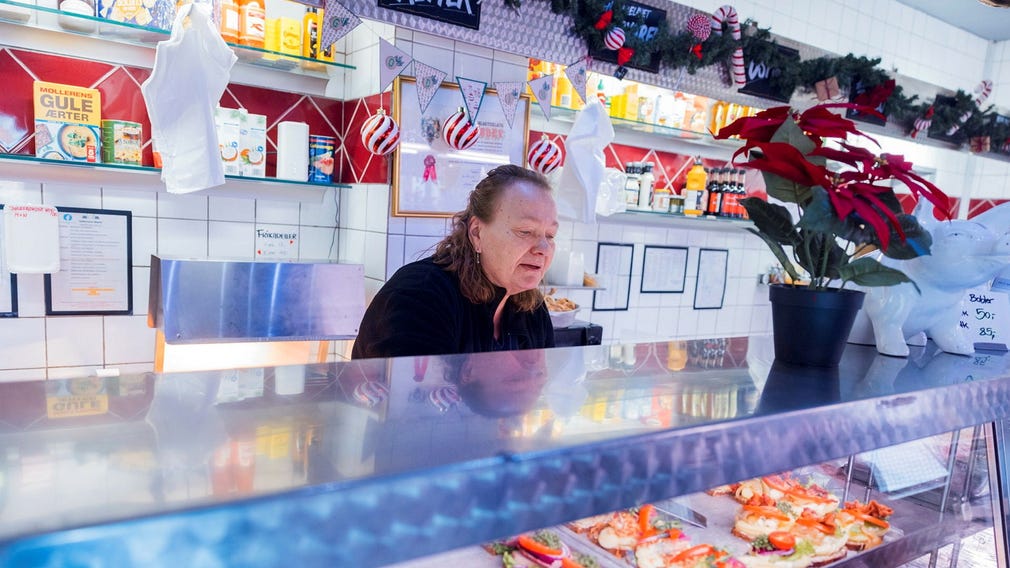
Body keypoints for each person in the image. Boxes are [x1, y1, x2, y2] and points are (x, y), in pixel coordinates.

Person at [351, 165, 558, 359]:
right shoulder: (420, 294)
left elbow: (542, 384)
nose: (543, 248)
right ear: (476, 232)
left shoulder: (532, 309)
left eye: (550, 235)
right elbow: (412, 384)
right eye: (525, 231)